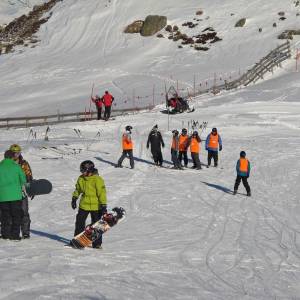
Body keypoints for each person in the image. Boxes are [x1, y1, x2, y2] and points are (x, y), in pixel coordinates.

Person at [71, 160, 107, 248]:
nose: (82, 173)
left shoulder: (97, 179)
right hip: (84, 205)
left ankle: (97, 243)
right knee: (79, 222)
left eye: (84, 171)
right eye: (82, 171)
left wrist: (103, 205)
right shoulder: (81, 178)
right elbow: (78, 189)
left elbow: (102, 193)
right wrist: (74, 198)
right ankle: (78, 240)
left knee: (97, 225)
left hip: (96, 206)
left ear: (89, 170)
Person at [0, 150, 26, 241]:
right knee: (16, 215)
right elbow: (23, 179)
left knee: (4, 215)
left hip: (2, 196)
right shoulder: (16, 167)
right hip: (15, 196)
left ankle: (5, 234)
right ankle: (15, 235)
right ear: (12, 157)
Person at [10, 144, 33, 239]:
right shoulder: (7, 163)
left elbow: (29, 176)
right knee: (11, 212)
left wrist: (31, 189)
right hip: (10, 192)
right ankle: (12, 231)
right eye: (14, 153)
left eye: (18, 153)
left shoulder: (24, 164)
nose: (16, 155)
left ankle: (25, 232)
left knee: (24, 212)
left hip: (22, 192)